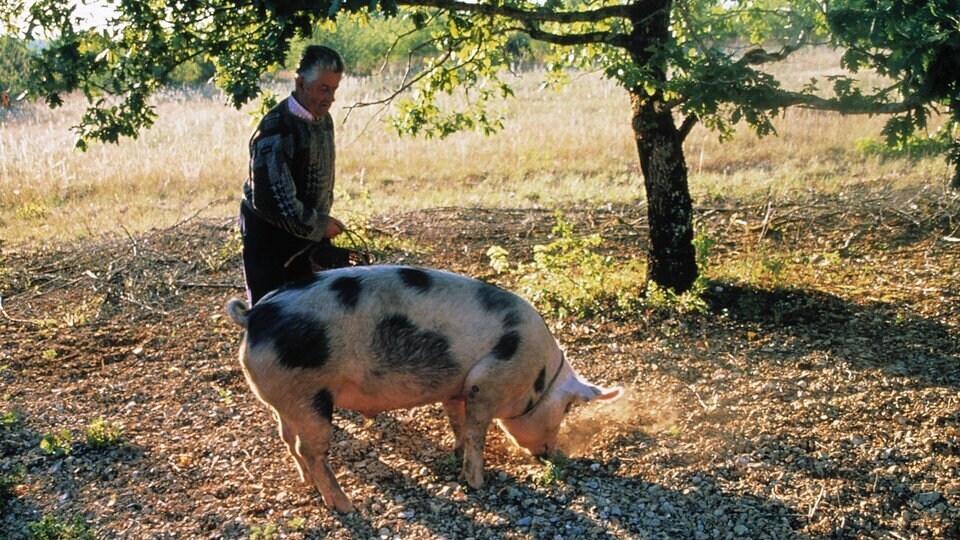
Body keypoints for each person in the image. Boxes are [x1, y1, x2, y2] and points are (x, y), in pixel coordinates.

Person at [238, 45, 347, 304]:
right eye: (323, 88)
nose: (330, 98)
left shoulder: (323, 119)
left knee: (310, 312)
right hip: (270, 237)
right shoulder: (274, 131)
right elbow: (275, 204)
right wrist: (321, 225)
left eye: (334, 89)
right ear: (300, 83)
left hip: (304, 233)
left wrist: (319, 225)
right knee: (273, 313)